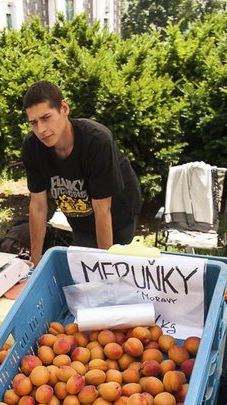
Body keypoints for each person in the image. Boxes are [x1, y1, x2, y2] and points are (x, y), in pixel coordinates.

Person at [21, 81, 142, 266]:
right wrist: (35, 263)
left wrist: (106, 267)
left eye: (46, 117)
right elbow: (38, 206)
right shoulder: (32, 147)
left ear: (64, 108)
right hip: (80, 217)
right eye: (34, 123)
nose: (41, 129)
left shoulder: (97, 140)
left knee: (116, 270)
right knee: (85, 268)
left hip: (118, 212)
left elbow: (103, 211)